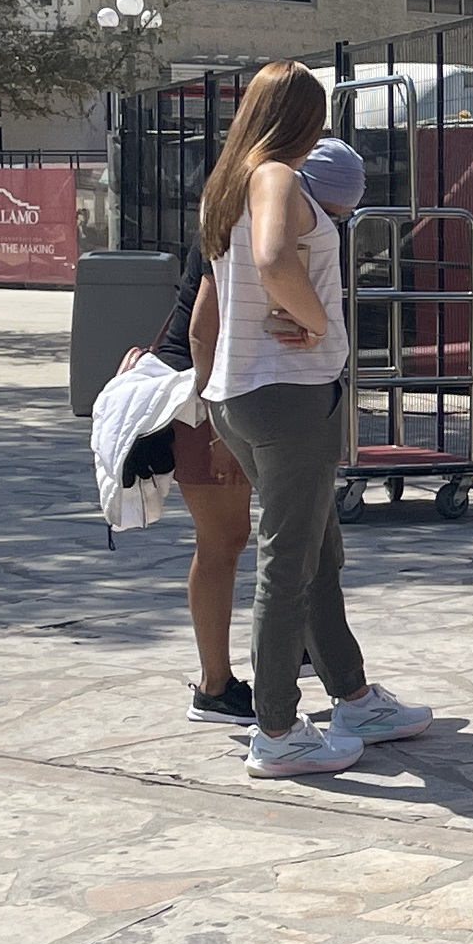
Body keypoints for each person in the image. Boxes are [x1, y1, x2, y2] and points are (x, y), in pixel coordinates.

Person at [194, 62, 434, 779]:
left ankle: (353, 696)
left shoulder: (230, 180)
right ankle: (276, 728)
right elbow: (272, 259)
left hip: (246, 394)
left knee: (317, 552)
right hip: (287, 395)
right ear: (302, 117)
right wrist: (318, 320)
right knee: (290, 565)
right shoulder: (275, 177)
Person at [154, 137, 368, 724]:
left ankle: (324, 676)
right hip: (215, 395)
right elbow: (202, 330)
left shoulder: (247, 207)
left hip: (228, 395)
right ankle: (220, 686)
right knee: (229, 546)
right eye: (330, 215)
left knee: (306, 549)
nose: (333, 227)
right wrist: (216, 421)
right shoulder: (257, 218)